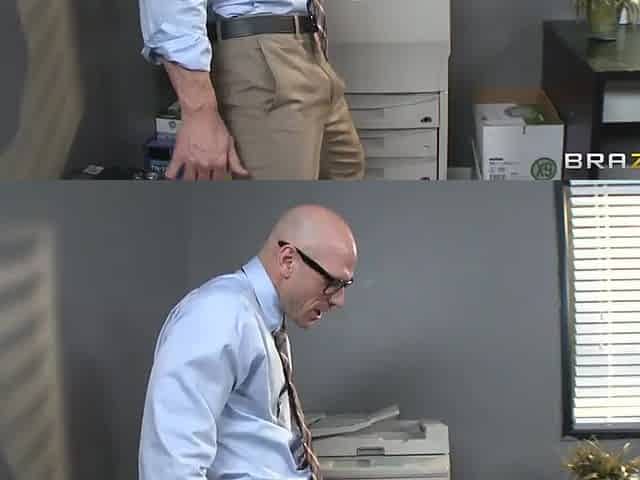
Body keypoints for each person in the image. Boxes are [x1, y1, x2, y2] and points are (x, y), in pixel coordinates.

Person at [139, 205, 358, 479]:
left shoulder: (262, 321)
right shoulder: (218, 314)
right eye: (333, 283)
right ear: (288, 260)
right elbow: (171, 465)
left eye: (344, 286)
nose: (339, 300)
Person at [138, 0, 365, 181]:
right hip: (259, 53)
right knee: (279, 207)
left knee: (346, 176)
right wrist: (199, 113)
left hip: (308, 43)